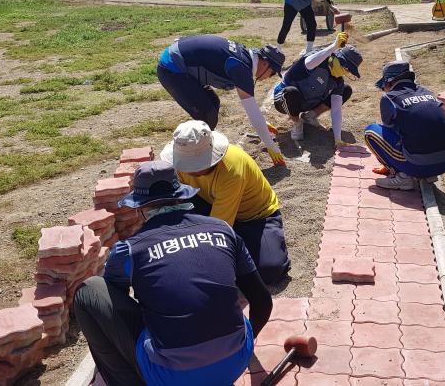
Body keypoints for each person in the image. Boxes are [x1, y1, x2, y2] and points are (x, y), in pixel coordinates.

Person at [74, 160, 273, 386]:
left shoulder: (129, 249)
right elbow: (263, 301)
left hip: (170, 377)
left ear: (139, 208)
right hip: (235, 362)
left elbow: (116, 303)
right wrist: (242, 347)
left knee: (89, 291)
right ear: (181, 196)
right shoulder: (223, 230)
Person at [161, 120, 291, 285]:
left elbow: (218, 228)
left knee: (270, 270)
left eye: (193, 165)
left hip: (255, 217)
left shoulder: (231, 170)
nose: (188, 170)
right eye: (185, 164)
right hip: (210, 203)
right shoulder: (180, 163)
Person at [157, 35, 287, 166]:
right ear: (265, 63)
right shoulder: (241, 67)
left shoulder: (245, 56)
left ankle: (200, 149)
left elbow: (251, 107)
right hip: (172, 68)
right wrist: (270, 145)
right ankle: (187, 157)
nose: (269, 77)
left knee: (214, 103)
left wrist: (262, 123)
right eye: (272, 73)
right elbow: (251, 110)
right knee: (207, 114)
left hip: (181, 62)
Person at [363, 61, 445, 191]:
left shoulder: (389, 98)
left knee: (370, 131)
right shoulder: (427, 92)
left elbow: (390, 132)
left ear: (389, 82)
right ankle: (426, 172)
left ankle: (403, 176)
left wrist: (389, 162)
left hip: (420, 165)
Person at [272, 32, 363, 144]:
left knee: (345, 90)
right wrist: (334, 46)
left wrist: (338, 139)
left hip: (309, 102)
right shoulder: (317, 60)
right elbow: (309, 62)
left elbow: (336, 110)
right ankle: (297, 122)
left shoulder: (337, 80)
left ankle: (310, 116)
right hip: (285, 100)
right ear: (338, 60)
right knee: (291, 92)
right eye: (347, 69)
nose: (346, 72)